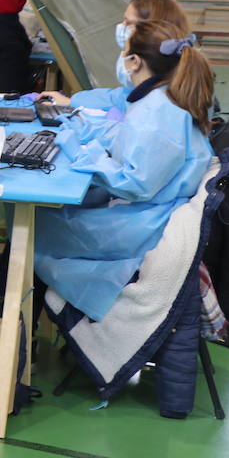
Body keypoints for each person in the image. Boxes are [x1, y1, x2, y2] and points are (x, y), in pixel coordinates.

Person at [33, 19, 215, 320]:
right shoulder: (162, 97)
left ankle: (12, 311)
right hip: (152, 211)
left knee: (36, 225)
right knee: (52, 212)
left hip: (148, 226)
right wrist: (81, 121)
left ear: (134, 61)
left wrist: (83, 152)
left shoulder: (159, 111)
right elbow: (127, 139)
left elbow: (135, 183)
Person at [38, 0, 193, 113]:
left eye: (129, 22)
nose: (121, 26)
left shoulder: (159, 107)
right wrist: (72, 102)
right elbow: (119, 98)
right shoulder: (161, 86)